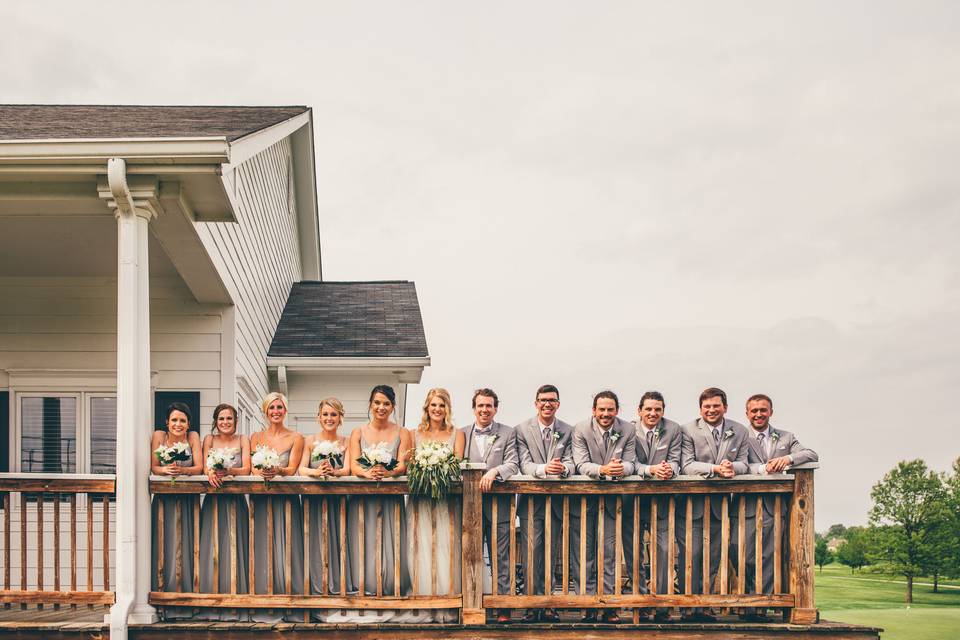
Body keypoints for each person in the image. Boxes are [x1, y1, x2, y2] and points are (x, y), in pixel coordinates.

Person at [334, 384, 414, 623]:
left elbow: (403, 465)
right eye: (377, 402)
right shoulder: (358, 432)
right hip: (362, 498)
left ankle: (391, 588)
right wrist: (368, 474)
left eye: (386, 403)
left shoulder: (403, 432)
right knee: (364, 540)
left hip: (390, 498)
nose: (381, 407)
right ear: (370, 404)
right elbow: (355, 466)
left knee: (392, 540)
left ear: (392, 407)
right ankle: (363, 589)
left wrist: (388, 473)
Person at [736, 393, 818, 620]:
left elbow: (811, 454)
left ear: (770, 412)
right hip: (746, 505)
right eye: (754, 411)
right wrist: (762, 469)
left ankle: (759, 606)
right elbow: (740, 465)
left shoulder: (786, 437)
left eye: (763, 410)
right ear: (747, 414)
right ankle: (746, 599)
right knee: (740, 552)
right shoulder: (740, 437)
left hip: (775, 507)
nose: (759, 414)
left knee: (770, 557)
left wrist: (788, 460)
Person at [678, 387, 749, 621]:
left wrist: (732, 468)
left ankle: (707, 604)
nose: (711, 410)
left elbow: (744, 464)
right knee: (692, 555)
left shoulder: (739, 430)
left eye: (716, 405)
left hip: (721, 506)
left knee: (714, 555)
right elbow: (686, 465)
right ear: (701, 409)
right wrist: (715, 469)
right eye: (707, 406)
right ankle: (690, 606)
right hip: (692, 505)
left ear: (725, 407)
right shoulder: (687, 430)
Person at [572, 390, 637, 623]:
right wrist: (602, 470)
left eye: (610, 409)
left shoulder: (628, 430)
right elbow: (579, 464)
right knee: (584, 554)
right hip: (585, 501)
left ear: (617, 410)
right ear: (594, 411)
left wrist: (623, 469)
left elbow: (632, 461)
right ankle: (587, 605)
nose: (606, 414)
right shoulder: (581, 429)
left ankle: (609, 605)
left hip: (613, 501)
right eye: (602, 409)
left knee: (609, 554)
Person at [514, 384, 575, 622]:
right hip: (531, 501)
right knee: (531, 554)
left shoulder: (568, 431)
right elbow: (523, 463)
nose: (547, 404)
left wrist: (564, 468)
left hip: (557, 502)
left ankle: (548, 603)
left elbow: (572, 460)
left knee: (551, 553)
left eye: (552, 400)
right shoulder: (521, 430)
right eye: (542, 400)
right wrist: (543, 469)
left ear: (558, 404)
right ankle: (531, 603)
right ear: (535, 403)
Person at [406, 388, 466, 622]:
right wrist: (424, 468)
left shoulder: (456, 434)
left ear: (447, 409)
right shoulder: (415, 434)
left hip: (446, 502)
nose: (437, 410)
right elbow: (411, 465)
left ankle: (448, 600)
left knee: (446, 546)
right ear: (427, 408)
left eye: (441, 405)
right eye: (433, 405)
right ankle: (424, 599)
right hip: (421, 500)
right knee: (421, 547)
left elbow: (457, 465)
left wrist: (438, 467)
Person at [461, 388, 519, 624]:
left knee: (501, 558)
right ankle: (471, 605)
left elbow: (513, 463)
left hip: (500, 507)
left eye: (489, 406)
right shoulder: (462, 434)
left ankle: (502, 605)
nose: (484, 410)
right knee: (470, 557)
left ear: (496, 408)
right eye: (480, 405)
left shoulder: (508, 433)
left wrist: (495, 471)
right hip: (469, 509)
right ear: (473, 408)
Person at [249, 392, 305, 622]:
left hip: (286, 497)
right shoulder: (255, 437)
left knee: (288, 544)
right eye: (272, 408)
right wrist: (261, 472)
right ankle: (262, 597)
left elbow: (292, 469)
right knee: (262, 543)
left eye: (280, 407)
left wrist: (277, 470)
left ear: (285, 411)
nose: (276, 412)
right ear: (265, 411)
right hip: (262, 497)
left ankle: (292, 597)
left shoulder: (296, 437)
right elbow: (252, 468)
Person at [298, 398, 352, 618]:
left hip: (338, 500)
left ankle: (338, 590)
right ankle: (314, 589)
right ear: (318, 417)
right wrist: (316, 472)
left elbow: (347, 470)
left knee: (338, 541)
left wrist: (334, 472)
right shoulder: (309, 441)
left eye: (334, 415)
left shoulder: (346, 441)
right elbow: (301, 468)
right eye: (325, 414)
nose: (329, 419)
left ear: (340, 418)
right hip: (314, 500)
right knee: (314, 543)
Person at [150, 402, 203, 620]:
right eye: (174, 420)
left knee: (189, 545)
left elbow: (199, 467)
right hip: (165, 499)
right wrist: (165, 469)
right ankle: (163, 598)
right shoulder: (159, 436)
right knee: (165, 543)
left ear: (188, 423)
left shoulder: (193, 438)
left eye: (182, 420)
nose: (178, 424)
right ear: (167, 422)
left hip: (188, 499)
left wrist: (183, 470)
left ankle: (189, 599)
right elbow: (154, 466)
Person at [198, 403, 251, 620]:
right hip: (214, 499)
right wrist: (210, 471)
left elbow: (246, 469)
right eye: (221, 419)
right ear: (215, 421)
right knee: (211, 544)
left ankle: (238, 597)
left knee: (236, 543)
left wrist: (229, 471)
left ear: (235, 421)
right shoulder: (209, 440)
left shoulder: (242, 440)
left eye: (229, 418)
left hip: (236, 500)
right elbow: (203, 466)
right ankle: (211, 597)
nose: (225, 422)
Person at [633, 391, 682, 621]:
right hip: (632, 501)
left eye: (658, 409)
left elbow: (677, 458)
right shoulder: (627, 430)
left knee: (663, 552)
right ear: (639, 410)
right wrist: (649, 470)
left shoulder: (673, 429)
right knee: (634, 552)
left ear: (663, 411)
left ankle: (661, 603)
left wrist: (670, 469)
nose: (653, 413)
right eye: (649, 409)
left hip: (662, 501)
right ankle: (640, 603)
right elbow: (629, 462)